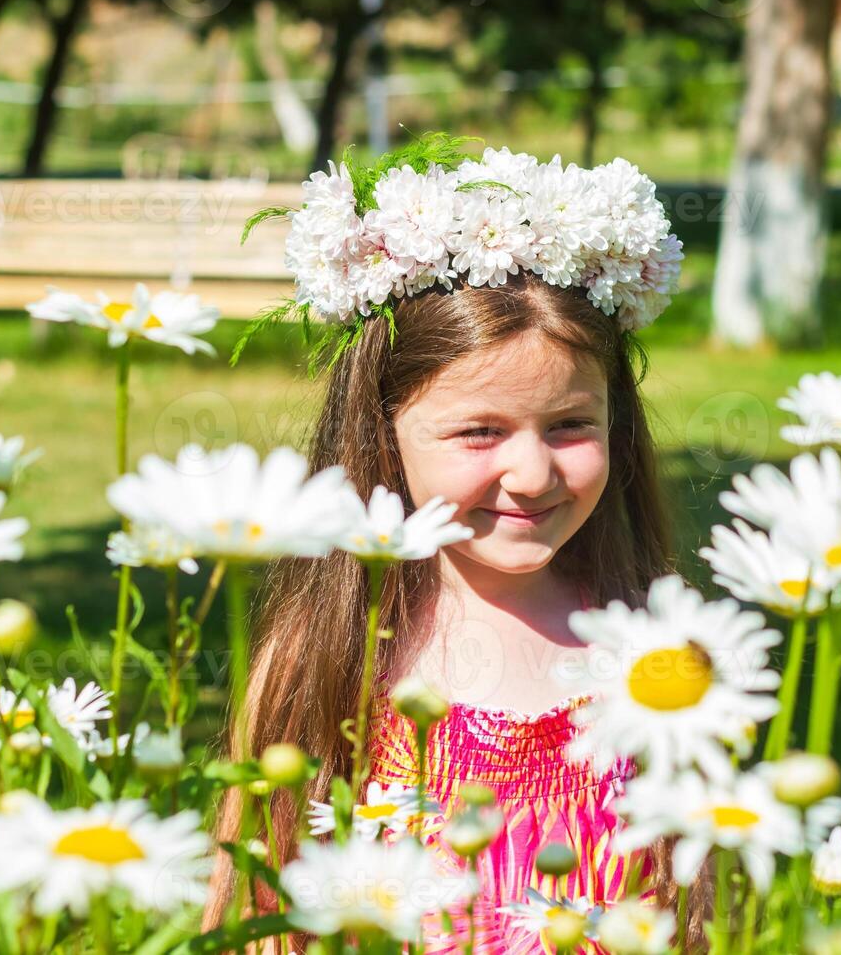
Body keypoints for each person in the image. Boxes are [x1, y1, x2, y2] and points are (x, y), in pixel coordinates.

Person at [204, 142, 707, 952]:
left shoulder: (657, 659)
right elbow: (262, 912)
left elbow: (700, 906)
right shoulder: (332, 655)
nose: (532, 472)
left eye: (572, 425)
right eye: (480, 432)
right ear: (381, 435)